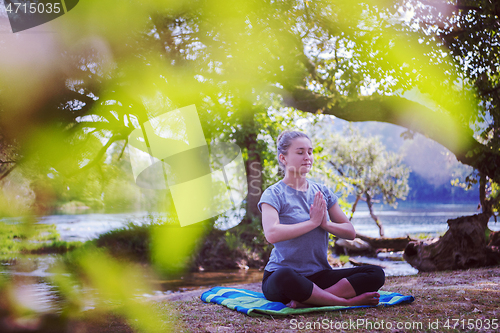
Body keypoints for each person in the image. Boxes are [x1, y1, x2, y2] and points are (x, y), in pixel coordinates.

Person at [258, 130, 385, 308]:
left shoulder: (322, 192)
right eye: (300, 152)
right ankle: (342, 302)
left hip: (319, 275)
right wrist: (312, 223)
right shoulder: (273, 194)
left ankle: (308, 301)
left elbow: (349, 232)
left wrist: (325, 224)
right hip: (283, 277)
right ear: (283, 158)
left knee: (376, 273)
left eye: (310, 152)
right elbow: (272, 233)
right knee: (284, 276)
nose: (307, 157)